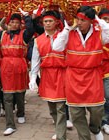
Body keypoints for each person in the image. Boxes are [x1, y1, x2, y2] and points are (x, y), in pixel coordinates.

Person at [52, 6, 109, 140]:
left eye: (83, 20)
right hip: (73, 76)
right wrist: (67, 29)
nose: (79, 23)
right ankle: (85, 137)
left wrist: (98, 20)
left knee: (97, 109)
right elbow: (56, 47)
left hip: (93, 76)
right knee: (76, 113)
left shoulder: (99, 33)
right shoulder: (69, 33)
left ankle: (95, 128)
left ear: (90, 21)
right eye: (77, 19)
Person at [0, 8, 35, 136]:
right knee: (7, 96)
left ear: (20, 24)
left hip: (19, 66)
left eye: (17, 22)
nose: (14, 25)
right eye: (12, 22)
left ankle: (21, 113)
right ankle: (10, 125)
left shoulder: (23, 35)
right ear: (8, 23)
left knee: (19, 94)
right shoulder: (2, 35)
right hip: (6, 67)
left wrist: (27, 17)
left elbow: (31, 30)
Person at [29, 10, 66, 140]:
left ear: (56, 22)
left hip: (62, 73)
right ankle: (59, 128)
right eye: (45, 21)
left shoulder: (64, 36)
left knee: (61, 106)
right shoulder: (38, 40)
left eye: (50, 21)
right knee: (52, 107)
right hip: (47, 75)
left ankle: (61, 135)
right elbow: (35, 60)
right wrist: (33, 77)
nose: (48, 24)